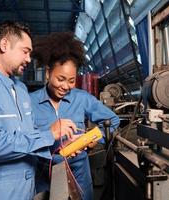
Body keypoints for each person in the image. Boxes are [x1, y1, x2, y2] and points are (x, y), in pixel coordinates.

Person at [0, 21, 78, 200]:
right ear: (4, 45)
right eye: (25, 51)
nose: (29, 59)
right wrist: (48, 134)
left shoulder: (20, 89)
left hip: (27, 186)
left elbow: (28, 136)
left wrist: (57, 146)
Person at [30, 32, 120, 200]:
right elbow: (23, 138)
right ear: (48, 73)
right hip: (43, 171)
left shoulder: (82, 98)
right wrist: (49, 132)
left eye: (71, 81)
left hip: (78, 169)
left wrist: (92, 139)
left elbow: (113, 120)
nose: (66, 86)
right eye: (61, 79)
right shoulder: (30, 102)